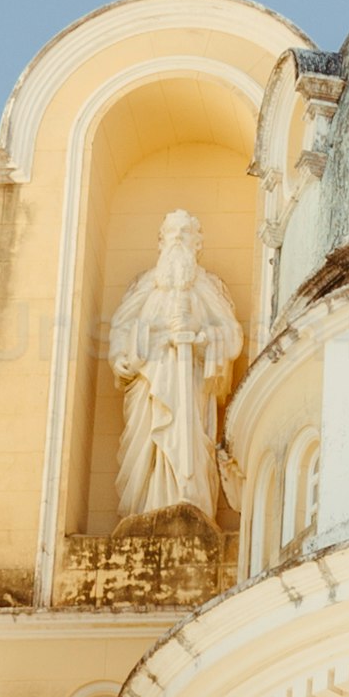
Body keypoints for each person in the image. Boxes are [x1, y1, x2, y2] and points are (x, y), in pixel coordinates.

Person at [104, 212, 242, 522]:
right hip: (148, 383)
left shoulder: (209, 286)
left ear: (198, 243)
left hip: (189, 381)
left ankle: (189, 501)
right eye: (172, 232)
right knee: (148, 445)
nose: (178, 238)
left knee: (186, 441)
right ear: (161, 241)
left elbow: (232, 337)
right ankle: (145, 507)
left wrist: (201, 336)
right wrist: (123, 355)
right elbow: (122, 328)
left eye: (186, 232)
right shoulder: (145, 285)